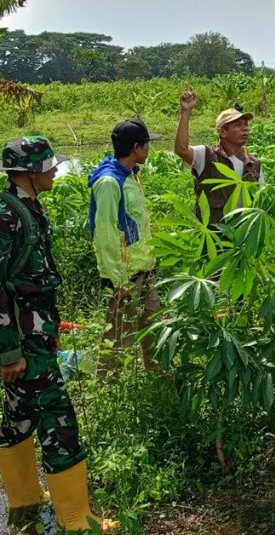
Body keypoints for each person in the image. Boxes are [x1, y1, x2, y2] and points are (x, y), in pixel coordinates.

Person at [0, 137, 117, 533]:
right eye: (49, 166)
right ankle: (76, 520)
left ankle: (24, 500)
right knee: (59, 418)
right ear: (30, 173)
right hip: (21, 342)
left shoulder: (25, 208)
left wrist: (48, 329)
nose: (55, 171)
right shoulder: (1, 216)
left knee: (18, 414)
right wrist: (8, 354)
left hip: (34, 335)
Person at [88, 118, 160, 374]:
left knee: (154, 330)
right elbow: (105, 235)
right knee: (118, 340)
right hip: (125, 277)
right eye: (148, 145)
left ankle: (160, 380)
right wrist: (119, 282)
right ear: (137, 147)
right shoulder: (109, 182)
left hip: (145, 271)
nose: (149, 150)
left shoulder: (130, 175)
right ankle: (109, 388)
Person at [174, 87, 264, 227]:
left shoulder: (254, 164)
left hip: (243, 238)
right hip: (214, 236)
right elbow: (182, 149)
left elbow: (260, 202)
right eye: (238, 125)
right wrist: (186, 112)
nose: (245, 128)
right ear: (223, 132)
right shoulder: (206, 156)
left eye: (246, 125)